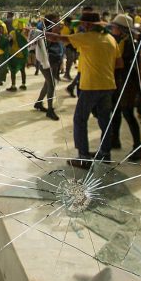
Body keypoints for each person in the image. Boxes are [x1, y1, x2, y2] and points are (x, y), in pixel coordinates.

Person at [48, 11, 118, 166]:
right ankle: (105, 153)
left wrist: (37, 33)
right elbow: (118, 63)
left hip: (91, 86)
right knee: (105, 120)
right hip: (108, 85)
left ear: (87, 24)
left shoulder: (86, 38)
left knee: (80, 119)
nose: (81, 25)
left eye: (82, 23)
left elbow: (57, 38)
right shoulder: (110, 39)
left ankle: (84, 157)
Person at [108, 14, 141, 161]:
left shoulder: (128, 43)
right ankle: (115, 139)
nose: (112, 29)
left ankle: (138, 147)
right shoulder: (125, 41)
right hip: (121, 82)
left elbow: (121, 64)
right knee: (116, 112)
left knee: (128, 114)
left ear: (121, 29)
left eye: (114, 27)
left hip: (126, 84)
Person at [33, 16, 60, 120]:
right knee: (51, 84)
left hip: (53, 63)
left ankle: (38, 103)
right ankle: (50, 110)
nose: (60, 25)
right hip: (46, 63)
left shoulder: (55, 34)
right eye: (57, 23)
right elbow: (43, 51)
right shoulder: (46, 35)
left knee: (47, 84)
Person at [6, 19, 28, 92]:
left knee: (13, 70)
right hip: (23, 54)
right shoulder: (25, 33)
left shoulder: (13, 32)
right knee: (23, 70)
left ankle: (13, 85)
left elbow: (8, 40)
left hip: (14, 54)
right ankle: (23, 84)